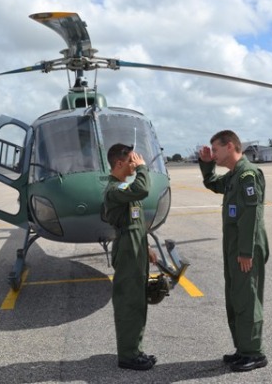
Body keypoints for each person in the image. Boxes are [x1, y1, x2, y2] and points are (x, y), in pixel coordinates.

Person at [198, 130, 270, 372]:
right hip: (234, 247)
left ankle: (254, 353)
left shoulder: (248, 175)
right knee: (235, 296)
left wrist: (246, 252)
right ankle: (243, 348)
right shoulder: (233, 176)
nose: (214, 154)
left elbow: (251, 216)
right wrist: (207, 165)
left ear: (230, 146)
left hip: (244, 247)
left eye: (215, 150)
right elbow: (211, 183)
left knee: (247, 298)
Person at [103, 143, 158, 371]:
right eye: (130, 161)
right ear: (119, 163)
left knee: (137, 301)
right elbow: (143, 189)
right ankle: (127, 356)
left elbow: (135, 223)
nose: (134, 163)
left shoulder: (124, 188)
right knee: (128, 303)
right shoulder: (114, 190)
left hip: (135, 249)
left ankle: (135, 350)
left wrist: (147, 248)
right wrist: (143, 168)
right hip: (127, 252)